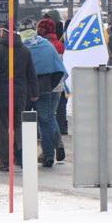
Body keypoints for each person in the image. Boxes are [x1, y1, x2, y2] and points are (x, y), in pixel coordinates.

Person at [0, 26, 38, 171]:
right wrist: (34, 92)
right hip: (20, 92)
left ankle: (6, 160)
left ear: (3, 33)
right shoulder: (24, 49)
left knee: (3, 126)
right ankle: (22, 157)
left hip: (1, 92)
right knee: (18, 124)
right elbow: (31, 73)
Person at [22, 27, 67, 167]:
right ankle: (48, 155)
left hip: (26, 89)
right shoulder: (47, 45)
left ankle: (22, 155)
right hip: (45, 88)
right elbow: (59, 69)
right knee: (46, 121)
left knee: (23, 121)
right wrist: (50, 85)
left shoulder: (21, 47)